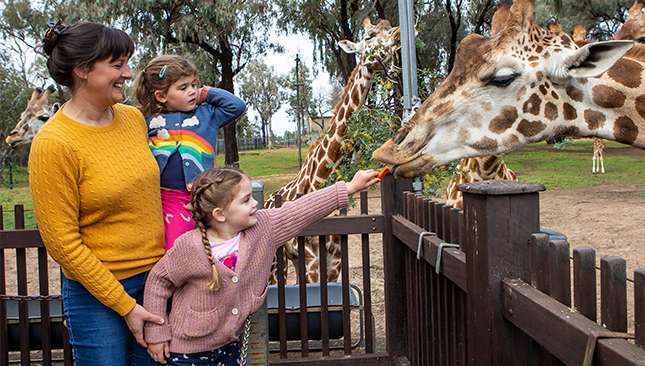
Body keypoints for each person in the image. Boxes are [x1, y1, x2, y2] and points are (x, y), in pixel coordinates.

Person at [143, 167, 381, 365]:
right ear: (220, 214)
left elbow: (301, 210)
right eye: (246, 200)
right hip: (185, 352)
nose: (256, 203)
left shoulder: (264, 229)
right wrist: (156, 333)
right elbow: (158, 281)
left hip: (229, 349)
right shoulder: (189, 247)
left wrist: (348, 187)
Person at [29, 21, 164, 365]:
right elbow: (62, 243)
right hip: (97, 295)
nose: (128, 73)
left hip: (156, 282)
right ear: (82, 70)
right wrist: (124, 305)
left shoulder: (133, 120)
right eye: (117, 65)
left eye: (127, 63)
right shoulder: (53, 144)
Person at [134, 55, 246, 250]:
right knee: (176, 247)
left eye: (194, 84)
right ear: (161, 96)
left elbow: (236, 106)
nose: (192, 91)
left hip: (204, 195)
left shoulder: (207, 115)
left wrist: (205, 93)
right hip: (165, 198)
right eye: (183, 87)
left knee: (215, 244)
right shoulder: (147, 121)